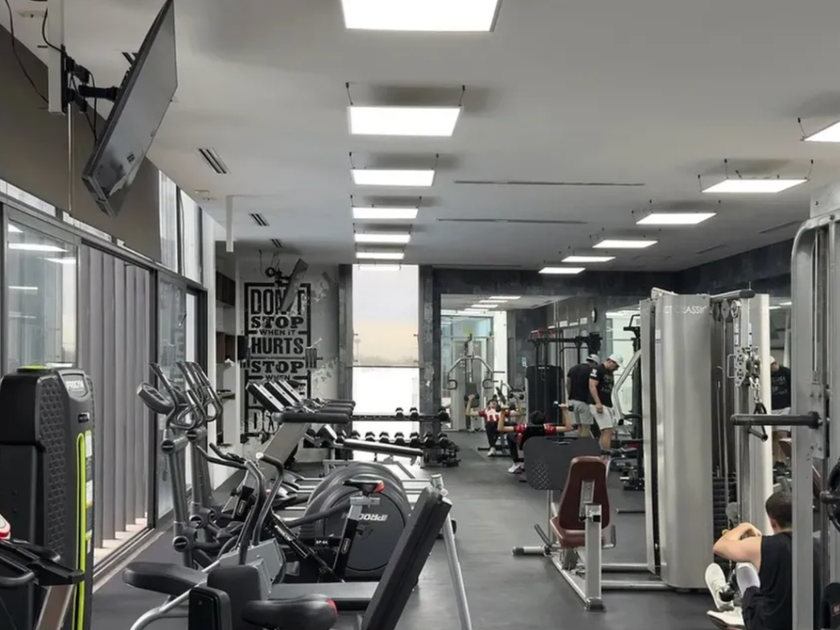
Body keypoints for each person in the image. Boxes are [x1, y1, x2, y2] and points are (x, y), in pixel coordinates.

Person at [704, 490, 821, 630]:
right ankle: (729, 596)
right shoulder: (821, 545)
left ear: (772, 522)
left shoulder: (762, 545)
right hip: (814, 623)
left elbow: (719, 547)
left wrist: (744, 526)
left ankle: (731, 602)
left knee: (744, 568)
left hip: (769, 624)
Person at [495, 404, 575, 474]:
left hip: (524, 445)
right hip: (539, 446)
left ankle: (517, 462)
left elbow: (500, 428)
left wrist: (502, 412)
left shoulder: (524, 427)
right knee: (512, 435)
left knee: (509, 435)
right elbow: (568, 428)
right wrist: (565, 411)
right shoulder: (546, 428)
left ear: (531, 419)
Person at [588, 354, 623, 450]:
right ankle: (606, 454)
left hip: (607, 403)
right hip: (599, 403)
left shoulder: (609, 372)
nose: (616, 369)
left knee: (606, 431)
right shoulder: (598, 370)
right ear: (611, 362)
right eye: (616, 366)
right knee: (608, 430)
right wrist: (598, 403)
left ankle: (602, 454)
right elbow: (592, 386)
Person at [567, 354, 600, 438]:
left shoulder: (573, 369)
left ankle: (578, 444)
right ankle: (583, 445)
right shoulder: (592, 371)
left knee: (579, 427)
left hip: (572, 402)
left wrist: (570, 395)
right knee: (586, 427)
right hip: (584, 402)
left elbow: (568, 383)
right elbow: (593, 386)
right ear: (594, 363)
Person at [770, 358, 792, 473]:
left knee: (782, 434)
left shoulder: (786, 372)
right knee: (773, 435)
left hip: (784, 408)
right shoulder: (766, 374)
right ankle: (776, 461)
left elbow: (792, 388)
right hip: (771, 408)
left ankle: (782, 461)